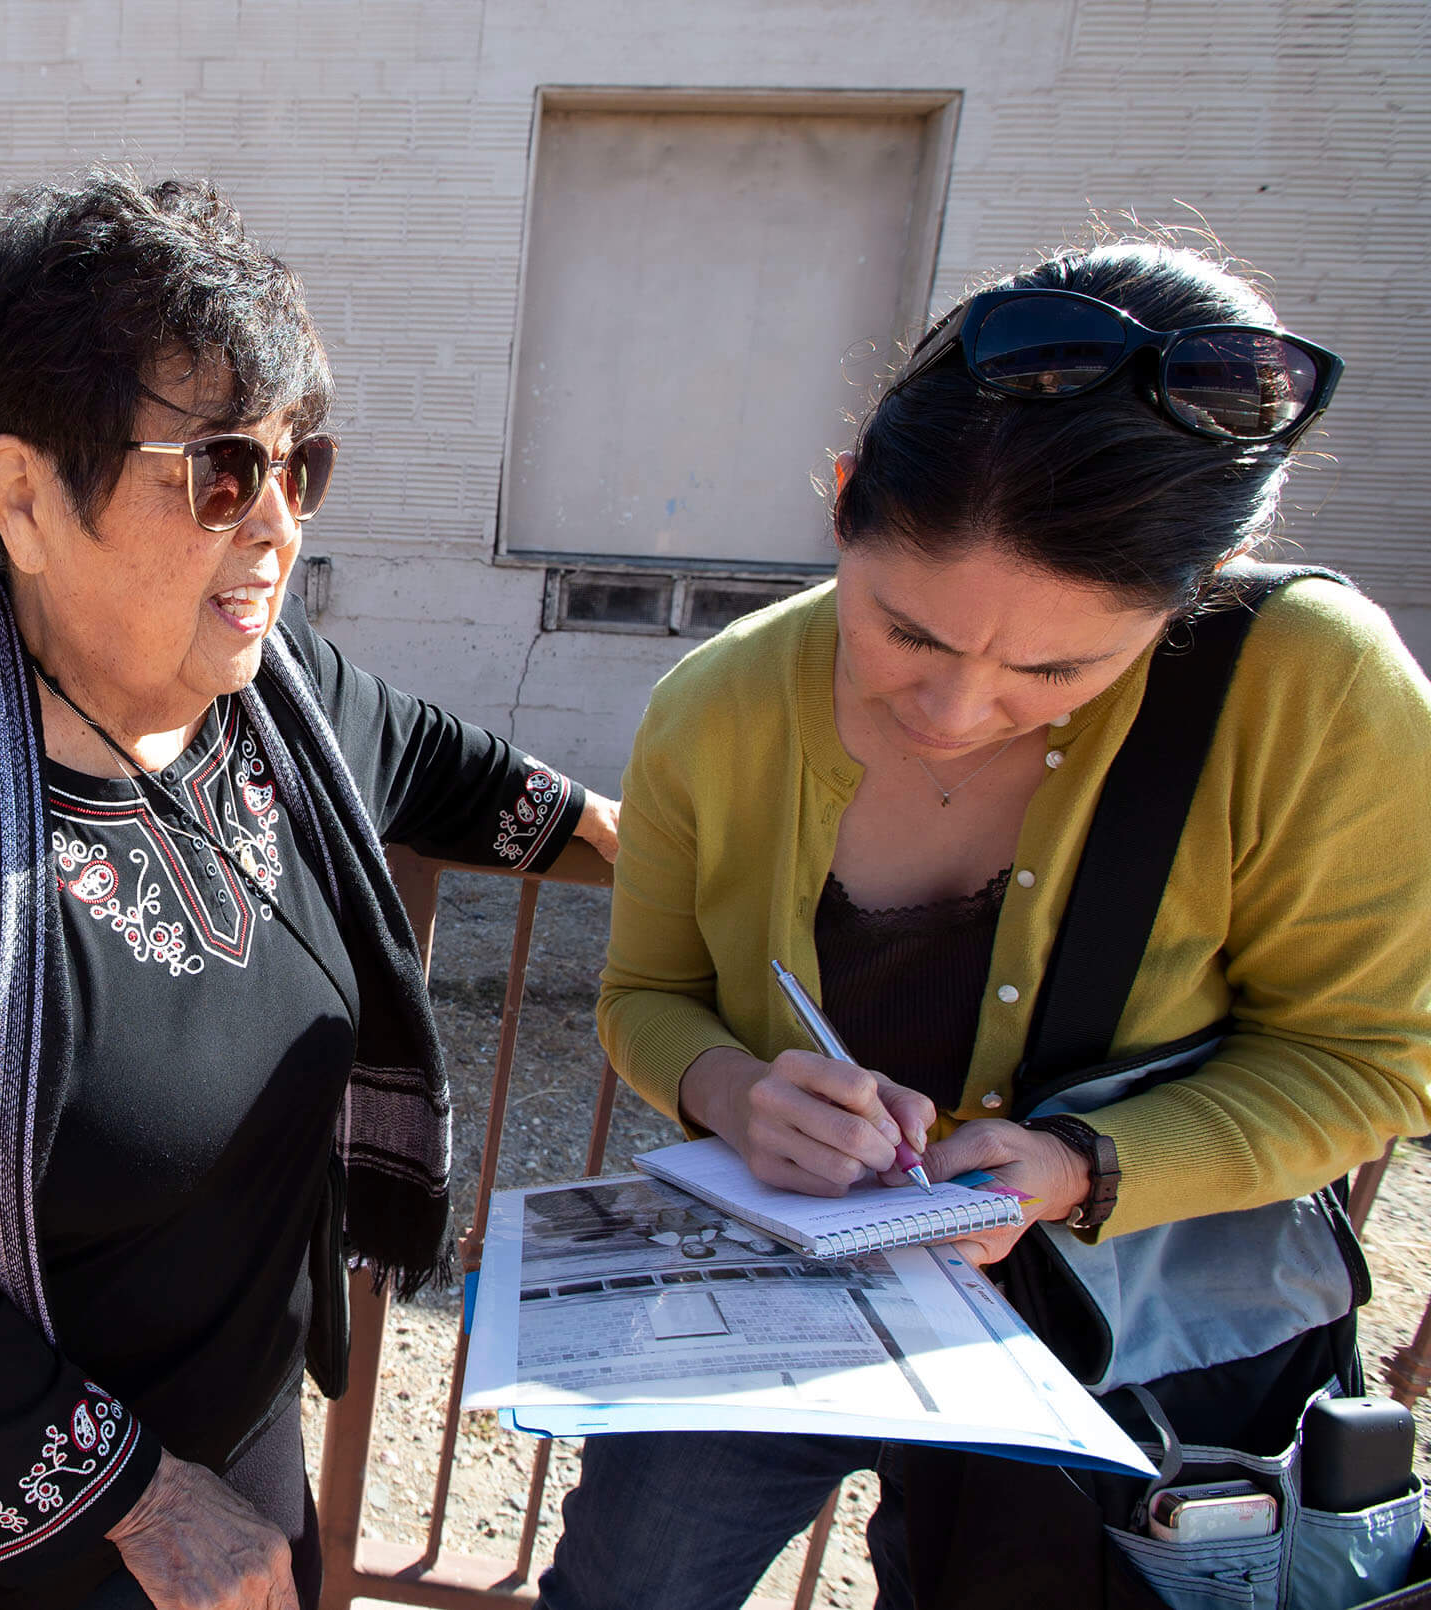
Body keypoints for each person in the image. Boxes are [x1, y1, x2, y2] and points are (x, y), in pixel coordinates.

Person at [0, 169, 621, 1610]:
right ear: (25, 495)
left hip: (243, 1420)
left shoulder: (283, 699)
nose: (277, 526)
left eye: (298, 465)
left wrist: (646, 846)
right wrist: (140, 1504)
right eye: (220, 471)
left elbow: (446, 767)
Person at [541, 237, 1431, 1610]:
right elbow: (646, 995)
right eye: (904, 629)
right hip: (785, 1284)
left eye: (1059, 667)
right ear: (843, 503)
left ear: (1206, 586)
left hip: (1131, 1325)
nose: (956, 711)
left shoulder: (1312, 684)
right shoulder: (714, 705)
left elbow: (1371, 1059)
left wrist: (1077, 1165)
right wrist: (733, 1088)